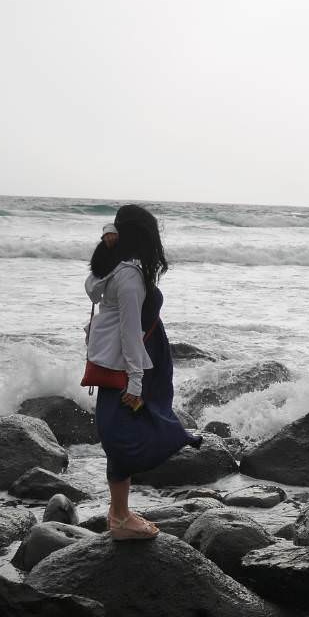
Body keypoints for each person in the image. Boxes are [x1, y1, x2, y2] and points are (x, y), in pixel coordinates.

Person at [84, 204, 200, 539]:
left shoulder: (113, 268)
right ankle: (120, 517)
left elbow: (96, 294)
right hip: (129, 366)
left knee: (130, 426)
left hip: (129, 362)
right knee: (124, 433)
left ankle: (118, 511)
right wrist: (135, 381)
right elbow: (129, 332)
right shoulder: (129, 276)